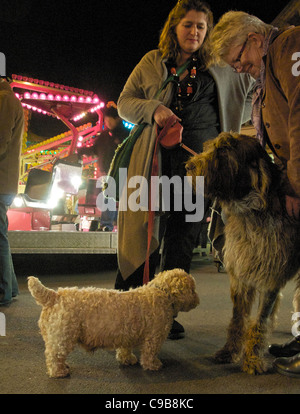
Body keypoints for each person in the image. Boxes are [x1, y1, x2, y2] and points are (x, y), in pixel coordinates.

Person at [115, 0, 254, 338]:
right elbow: (124, 103)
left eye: (201, 27)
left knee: (183, 237)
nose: (194, 32)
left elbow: (252, 92)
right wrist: (154, 108)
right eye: (188, 25)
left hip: (199, 168)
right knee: (142, 232)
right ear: (174, 27)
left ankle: (166, 313)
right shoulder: (153, 61)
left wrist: (237, 125)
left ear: (207, 32)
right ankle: (129, 308)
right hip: (154, 162)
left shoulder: (220, 67)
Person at [209, 11, 300, 375]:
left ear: (254, 39)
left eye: (238, 59)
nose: (240, 68)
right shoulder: (269, 66)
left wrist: (293, 184)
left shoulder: (288, 44)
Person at [78, 105, 128, 231]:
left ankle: (110, 224)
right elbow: (94, 150)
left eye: (109, 120)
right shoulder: (104, 136)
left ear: (117, 119)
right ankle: (107, 224)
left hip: (119, 171)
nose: (107, 123)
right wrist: (82, 151)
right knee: (108, 198)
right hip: (106, 172)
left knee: (114, 198)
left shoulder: (124, 135)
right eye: (106, 120)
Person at [0, 77, 24, 306]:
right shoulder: (8, 98)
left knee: (0, 237)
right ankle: (11, 287)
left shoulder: (4, 99)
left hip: (1, 181)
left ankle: (3, 291)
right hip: (5, 181)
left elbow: (0, 141)